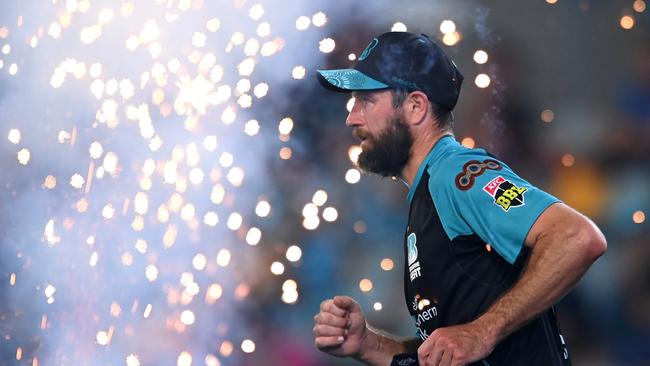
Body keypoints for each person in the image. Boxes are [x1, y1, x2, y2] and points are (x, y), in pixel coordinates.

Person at [312, 31, 607, 366]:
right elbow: (448, 350)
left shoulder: (457, 173)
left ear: (415, 106)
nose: (352, 117)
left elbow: (577, 237)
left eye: (366, 100)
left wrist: (483, 331)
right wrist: (368, 345)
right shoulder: (428, 191)